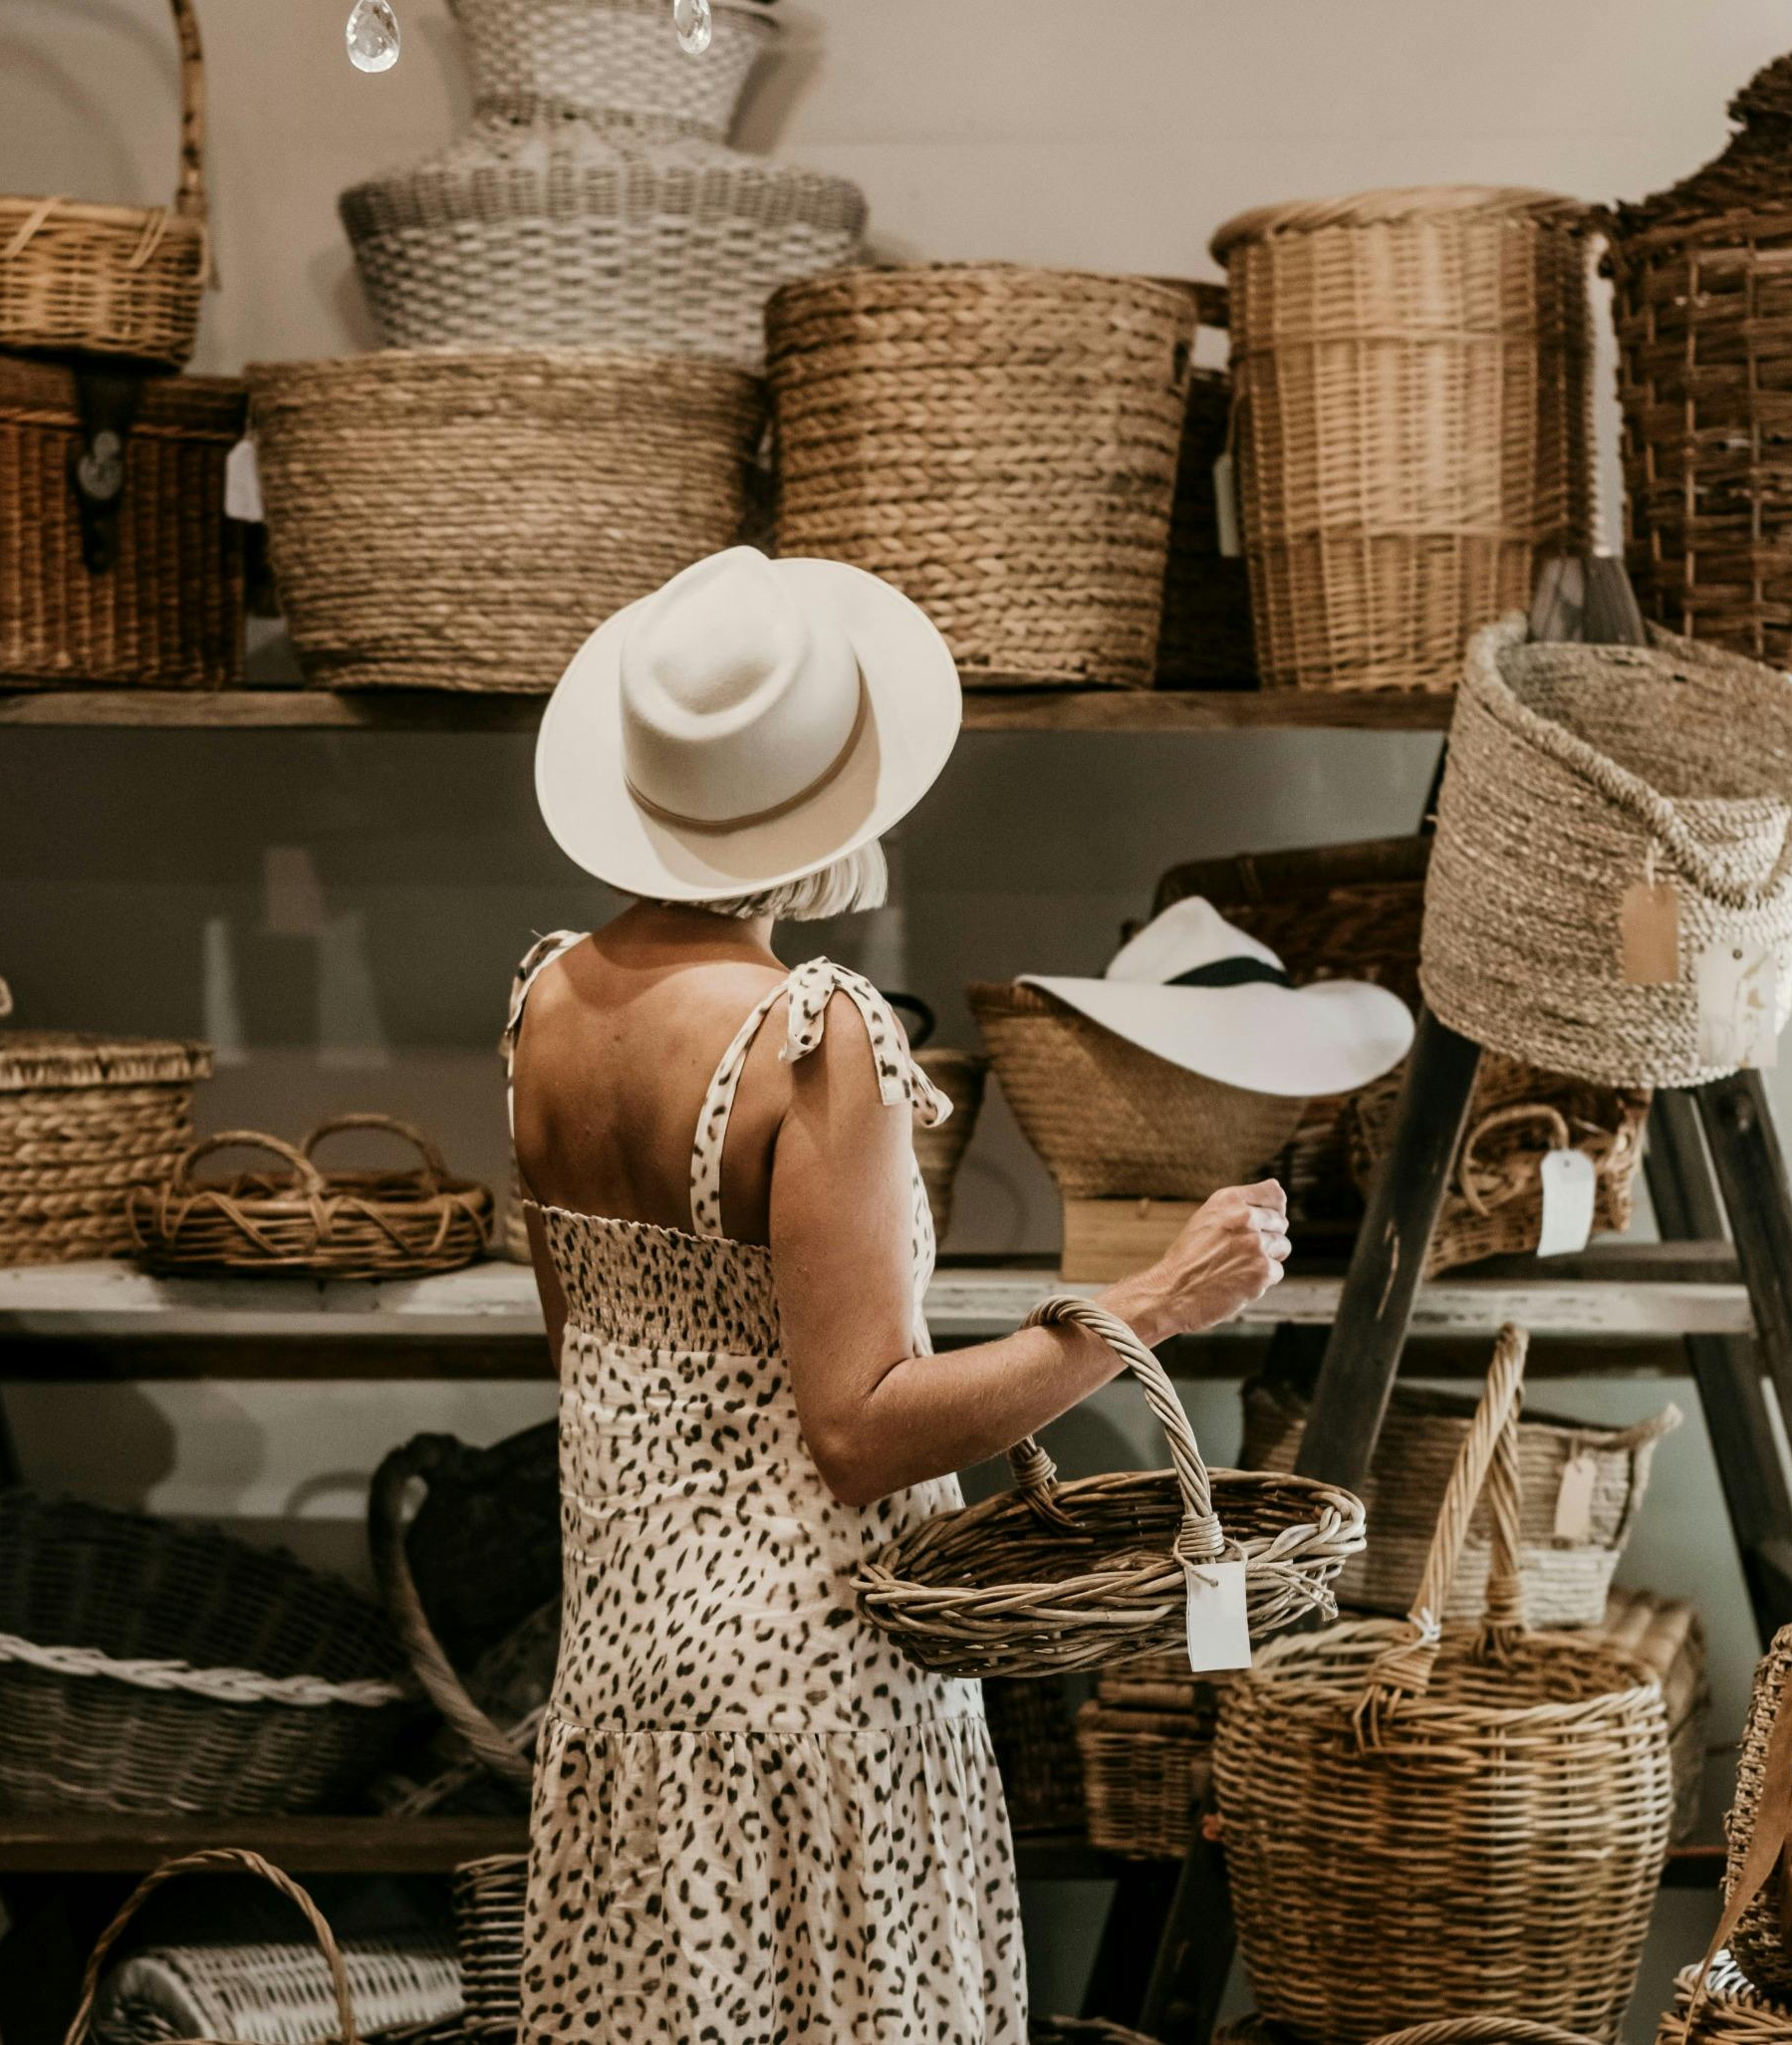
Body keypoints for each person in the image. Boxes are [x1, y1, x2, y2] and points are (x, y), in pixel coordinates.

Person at [503, 548, 1289, 2041]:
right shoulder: (813, 1031)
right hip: (815, 1684)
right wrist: (1151, 1301)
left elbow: (591, 1353)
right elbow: (858, 1430)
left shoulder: (544, 1003)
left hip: (619, 1664)